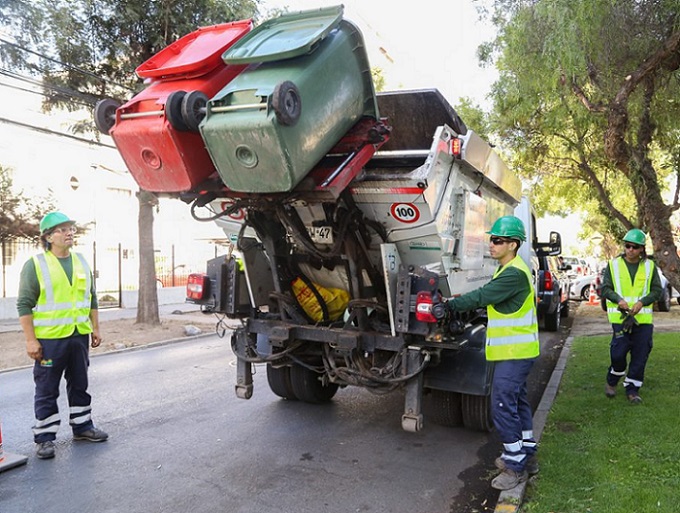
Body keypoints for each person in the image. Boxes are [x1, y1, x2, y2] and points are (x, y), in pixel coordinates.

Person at [446, 215, 539, 491]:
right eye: (492, 239)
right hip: (516, 352)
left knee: (502, 405)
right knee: (518, 404)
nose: (492, 244)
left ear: (513, 244)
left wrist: (451, 305)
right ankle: (527, 456)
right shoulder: (509, 269)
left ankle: (514, 468)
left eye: (498, 240)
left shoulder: (513, 273)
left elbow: (483, 296)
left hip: (515, 354)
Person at [17, 211, 109, 460]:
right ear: (48, 237)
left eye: (71, 228)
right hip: (49, 340)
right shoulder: (35, 265)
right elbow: (24, 304)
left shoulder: (81, 261)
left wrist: (95, 328)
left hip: (78, 336)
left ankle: (83, 427)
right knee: (47, 388)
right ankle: (45, 438)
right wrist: (30, 339)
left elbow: (91, 297)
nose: (69, 233)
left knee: (80, 383)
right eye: (62, 229)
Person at [600, 228, 661, 404]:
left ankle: (632, 390)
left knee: (640, 356)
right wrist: (618, 300)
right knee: (618, 355)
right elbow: (605, 288)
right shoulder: (613, 265)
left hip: (643, 321)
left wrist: (643, 302)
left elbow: (657, 290)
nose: (630, 250)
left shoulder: (650, 267)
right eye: (627, 246)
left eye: (634, 247)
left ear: (642, 249)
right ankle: (612, 380)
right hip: (621, 320)